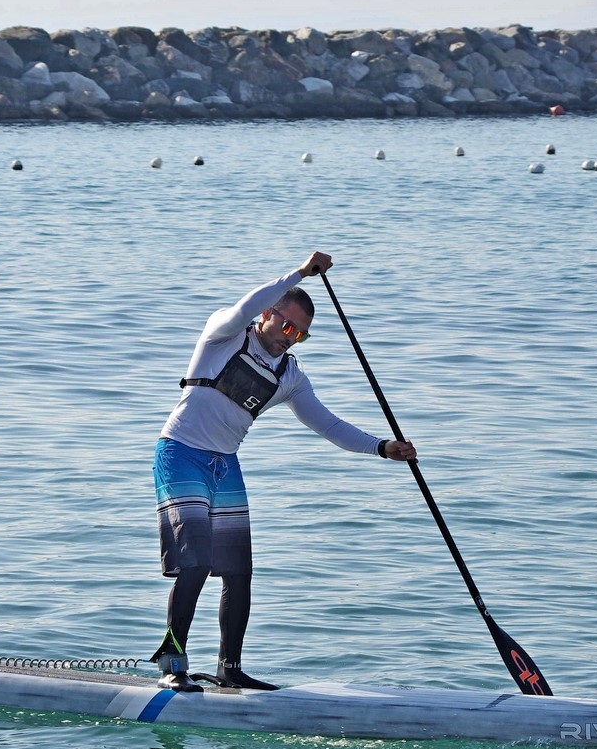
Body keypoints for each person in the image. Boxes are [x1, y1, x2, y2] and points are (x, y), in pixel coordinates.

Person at [150, 251, 416, 692]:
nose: (291, 339)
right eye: (287, 327)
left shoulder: (290, 375)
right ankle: (172, 665)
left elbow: (328, 424)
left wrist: (383, 448)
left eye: (302, 336)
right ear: (268, 315)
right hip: (181, 453)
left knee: (238, 571)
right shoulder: (225, 335)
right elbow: (244, 305)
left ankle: (229, 669)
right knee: (195, 562)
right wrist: (298, 273)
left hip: (225, 465)